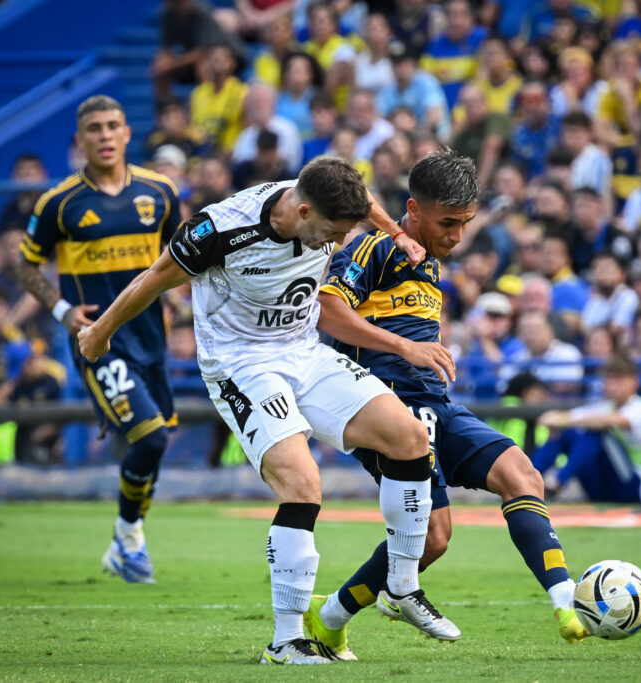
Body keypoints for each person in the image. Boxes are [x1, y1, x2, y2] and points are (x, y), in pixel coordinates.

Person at [77, 156, 446, 666]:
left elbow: (365, 206)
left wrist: (397, 235)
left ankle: (401, 586)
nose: (337, 243)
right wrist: (100, 333)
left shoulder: (330, 201)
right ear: (300, 210)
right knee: (302, 483)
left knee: (409, 437)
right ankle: (286, 639)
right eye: (330, 232)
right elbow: (154, 278)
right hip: (241, 363)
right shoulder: (219, 229)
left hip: (303, 350)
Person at [306, 150, 585, 660]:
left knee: (521, 474)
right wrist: (405, 348)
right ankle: (350, 609)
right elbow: (327, 312)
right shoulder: (375, 249)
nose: (457, 235)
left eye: (466, 224)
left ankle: (568, 602)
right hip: (385, 409)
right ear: (413, 210)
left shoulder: (429, 264)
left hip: (436, 404)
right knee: (434, 539)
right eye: (448, 222)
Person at [15, 96, 182, 585]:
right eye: (94, 128)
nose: (105, 135)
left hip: (152, 338)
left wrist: (178, 299)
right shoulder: (58, 203)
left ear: (128, 133)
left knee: (155, 444)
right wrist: (63, 311)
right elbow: (26, 265)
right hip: (98, 341)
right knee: (150, 437)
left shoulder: (161, 191)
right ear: (80, 139)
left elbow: (180, 254)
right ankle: (129, 539)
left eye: (113, 126)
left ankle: (125, 542)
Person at [535, 353, 641, 508]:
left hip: (637, 488)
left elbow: (609, 420)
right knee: (567, 433)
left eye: (618, 379)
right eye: (609, 379)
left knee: (596, 432)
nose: (612, 385)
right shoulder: (606, 406)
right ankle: (525, 482)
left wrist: (562, 420)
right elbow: (553, 418)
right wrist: (557, 422)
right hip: (604, 487)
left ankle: (556, 483)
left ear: (634, 382)